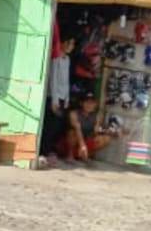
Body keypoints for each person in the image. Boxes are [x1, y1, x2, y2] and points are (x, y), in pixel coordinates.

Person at [41, 33, 77, 163]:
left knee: (57, 127)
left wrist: (66, 98)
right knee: (50, 126)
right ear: (61, 43)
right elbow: (53, 80)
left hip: (62, 97)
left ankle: (48, 150)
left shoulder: (67, 59)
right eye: (68, 43)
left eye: (72, 44)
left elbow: (66, 80)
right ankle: (43, 151)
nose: (70, 46)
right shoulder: (55, 58)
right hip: (53, 97)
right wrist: (54, 100)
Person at [56, 91, 115, 163]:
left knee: (106, 138)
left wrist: (111, 131)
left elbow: (96, 131)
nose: (89, 105)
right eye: (87, 102)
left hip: (84, 143)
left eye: (92, 103)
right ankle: (70, 155)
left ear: (95, 104)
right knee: (72, 133)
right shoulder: (73, 113)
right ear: (81, 103)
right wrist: (82, 145)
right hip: (68, 144)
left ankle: (84, 155)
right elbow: (77, 128)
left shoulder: (96, 116)